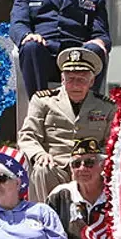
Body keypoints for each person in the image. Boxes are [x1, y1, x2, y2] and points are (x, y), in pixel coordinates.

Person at [17, 47, 114, 203]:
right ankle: (47, 218)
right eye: (70, 79)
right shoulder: (43, 101)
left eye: (81, 80)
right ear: (62, 80)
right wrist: (39, 154)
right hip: (57, 167)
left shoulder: (106, 107)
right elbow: (27, 135)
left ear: (91, 82)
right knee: (42, 169)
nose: (75, 85)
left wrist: (94, 160)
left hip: (90, 168)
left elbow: (111, 144)